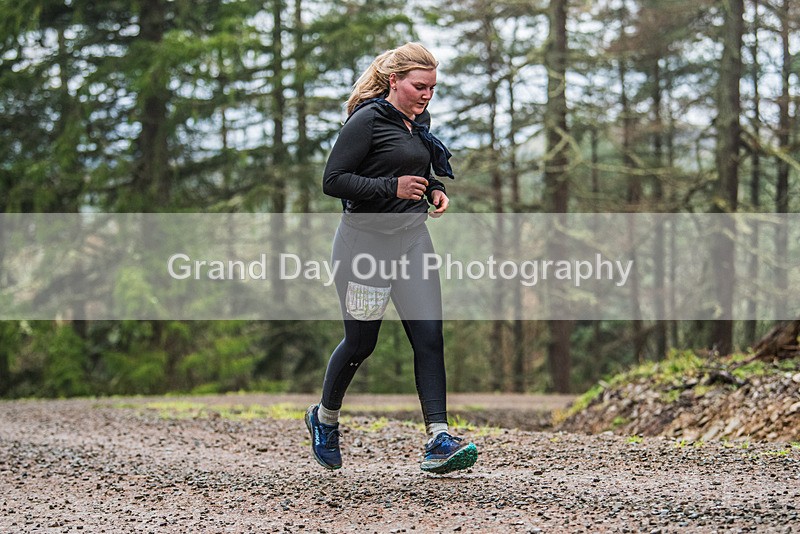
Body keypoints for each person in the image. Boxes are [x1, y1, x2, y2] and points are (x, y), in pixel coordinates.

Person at [304, 42, 478, 474]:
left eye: (433, 88)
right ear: (394, 81)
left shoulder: (418, 120)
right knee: (362, 343)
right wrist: (391, 188)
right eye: (420, 87)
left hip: (412, 241)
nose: (427, 95)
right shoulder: (365, 121)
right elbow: (333, 180)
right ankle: (325, 417)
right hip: (364, 249)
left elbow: (417, 166)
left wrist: (434, 188)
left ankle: (438, 438)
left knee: (429, 336)